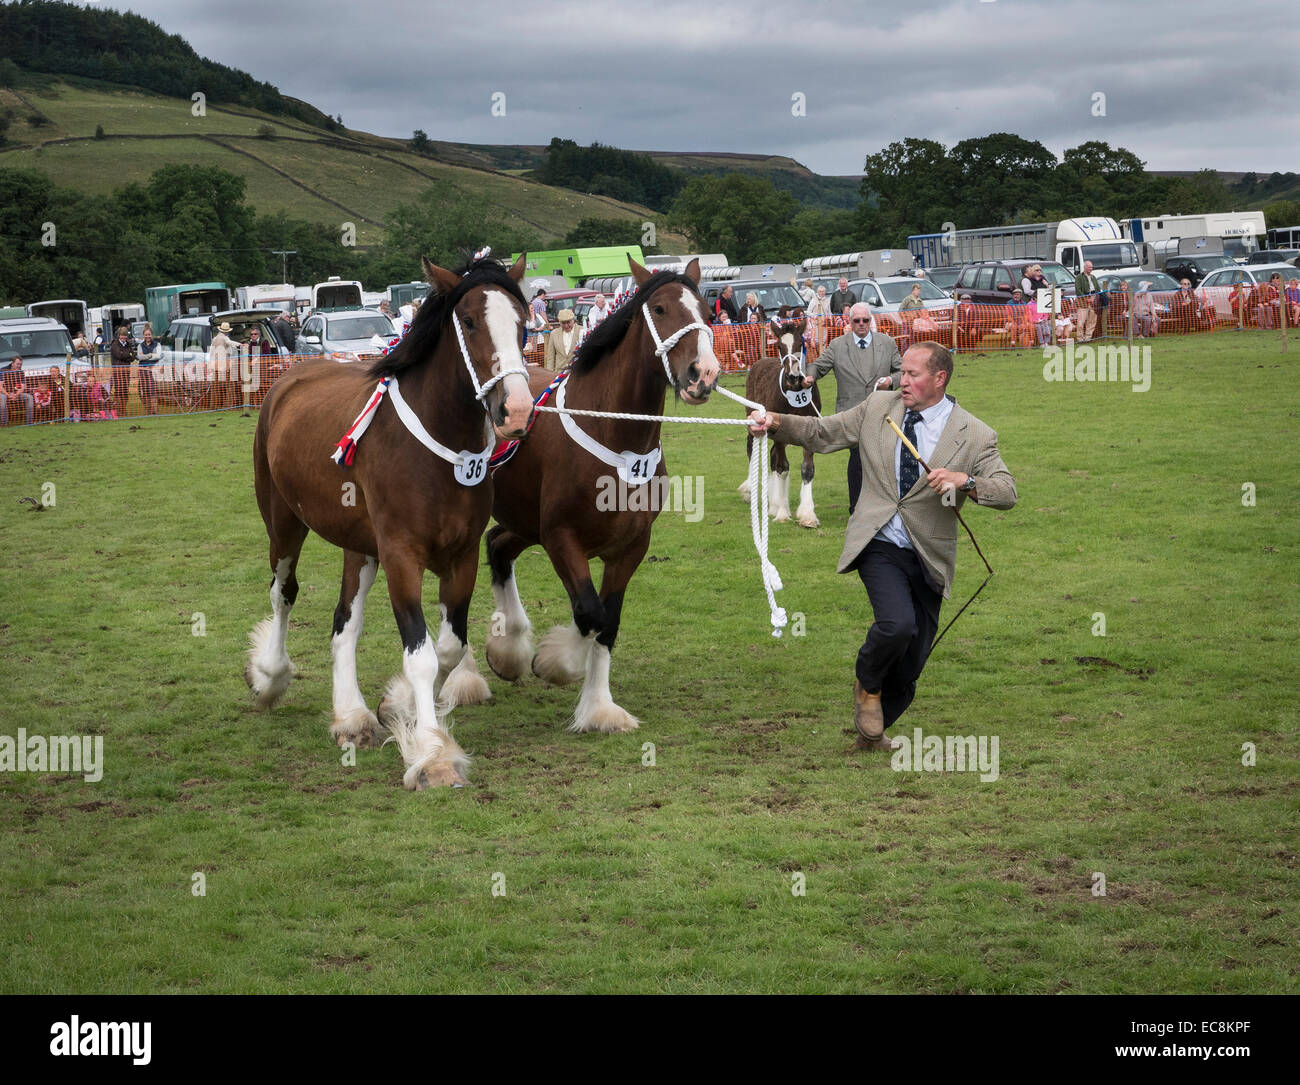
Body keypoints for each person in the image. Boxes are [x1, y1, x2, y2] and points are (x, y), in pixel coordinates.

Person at [747, 342, 1016, 750]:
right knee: (897, 625)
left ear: (939, 379)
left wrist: (968, 483)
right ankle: (867, 683)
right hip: (879, 540)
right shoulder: (878, 408)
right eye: (902, 372)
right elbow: (824, 431)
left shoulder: (975, 434)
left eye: (913, 374)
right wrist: (774, 422)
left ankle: (872, 733)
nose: (902, 381)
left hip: (929, 553)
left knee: (911, 665)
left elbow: (1007, 492)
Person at [801, 301, 901, 515]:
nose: (862, 324)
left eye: (866, 320)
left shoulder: (887, 343)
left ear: (871, 320)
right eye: (857, 321)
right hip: (851, 414)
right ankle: (856, 508)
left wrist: (891, 381)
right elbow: (818, 366)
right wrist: (810, 376)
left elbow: (903, 372)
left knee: (882, 459)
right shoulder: (838, 346)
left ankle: (885, 505)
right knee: (857, 459)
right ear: (850, 322)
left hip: (882, 412)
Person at [1, 356, 35, 426]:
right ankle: (4, 424)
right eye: (17, 364)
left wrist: (16, 395)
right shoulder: (3, 370)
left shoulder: (21, 372)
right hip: (3, 393)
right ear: (12, 363)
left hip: (15, 394)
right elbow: (0, 386)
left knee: (29, 397)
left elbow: (23, 387)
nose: (19, 366)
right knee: (2, 399)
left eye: (20, 364)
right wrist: (8, 395)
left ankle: (29, 423)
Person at [109, 324, 135, 413]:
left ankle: (123, 409)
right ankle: (118, 409)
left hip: (126, 372)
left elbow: (133, 357)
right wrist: (128, 355)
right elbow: (119, 355)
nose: (124, 338)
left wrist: (127, 355)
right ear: (119, 336)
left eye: (125, 337)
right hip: (117, 372)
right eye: (122, 336)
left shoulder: (128, 345)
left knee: (125, 390)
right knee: (118, 390)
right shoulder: (114, 345)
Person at [135, 326, 161, 415]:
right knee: (145, 391)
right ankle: (148, 411)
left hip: (153, 370)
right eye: (146, 335)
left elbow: (158, 356)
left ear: (152, 335)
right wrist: (151, 355)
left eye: (149, 334)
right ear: (143, 335)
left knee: (153, 391)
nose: (147, 336)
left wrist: (146, 357)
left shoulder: (157, 345)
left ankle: (155, 412)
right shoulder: (140, 346)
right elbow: (139, 357)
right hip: (142, 370)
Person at [1074, 261, 1102, 341]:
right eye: (1089, 267)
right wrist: (1086, 298)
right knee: (1081, 322)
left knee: (1092, 321)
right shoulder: (1079, 277)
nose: (1091, 269)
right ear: (1085, 267)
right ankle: (1080, 339)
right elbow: (1078, 290)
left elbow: (1098, 289)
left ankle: (1088, 338)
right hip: (1082, 302)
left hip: (1094, 301)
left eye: (1091, 267)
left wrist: (1094, 298)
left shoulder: (1093, 277)